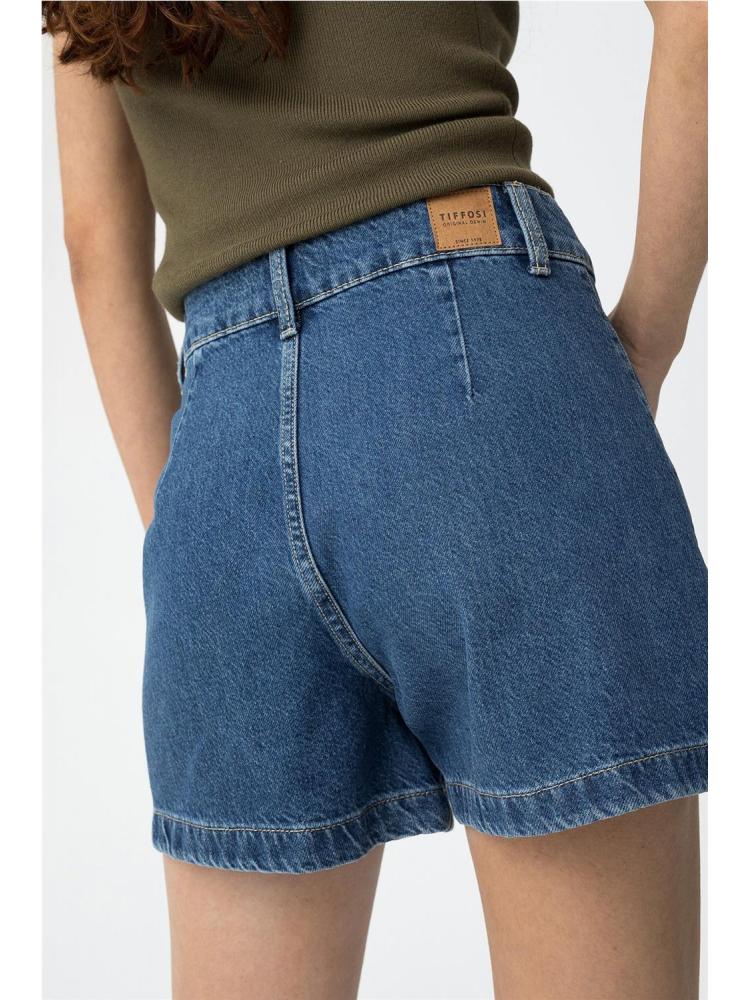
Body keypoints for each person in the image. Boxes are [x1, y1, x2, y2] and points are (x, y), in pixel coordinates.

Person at [46, 2, 707, 997]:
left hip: (223, 434)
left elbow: (95, 238)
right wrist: (646, 343)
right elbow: (702, 25)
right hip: (479, 354)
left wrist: (189, 527)